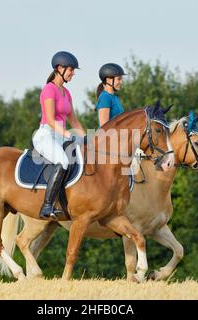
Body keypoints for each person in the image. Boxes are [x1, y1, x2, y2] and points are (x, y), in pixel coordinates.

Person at [32, 51, 86, 220]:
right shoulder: (49, 89)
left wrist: (88, 139)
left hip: (61, 135)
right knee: (62, 160)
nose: (73, 73)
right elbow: (49, 119)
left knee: (82, 156)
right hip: (46, 135)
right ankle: (46, 206)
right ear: (60, 68)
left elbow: (74, 121)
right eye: (71, 70)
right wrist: (66, 133)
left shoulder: (66, 93)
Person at [95, 63, 126, 127]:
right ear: (108, 80)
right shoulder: (105, 97)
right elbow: (104, 126)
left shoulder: (115, 98)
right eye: (119, 79)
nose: (121, 82)